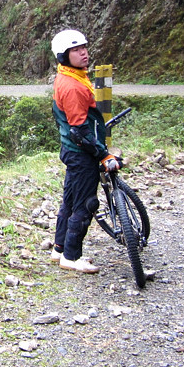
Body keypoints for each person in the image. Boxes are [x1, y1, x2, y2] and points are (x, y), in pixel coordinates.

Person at [49, 29, 121, 273]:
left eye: (84, 48)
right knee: (85, 204)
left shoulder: (68, 77)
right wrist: (103, 154)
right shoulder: (73, 87)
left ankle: (59, 248)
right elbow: (79, 131)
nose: (83, 53)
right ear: (64, 56)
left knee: (69, 201)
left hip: (71, 151)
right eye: (76, 50)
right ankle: (71, 256)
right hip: (81, 153)